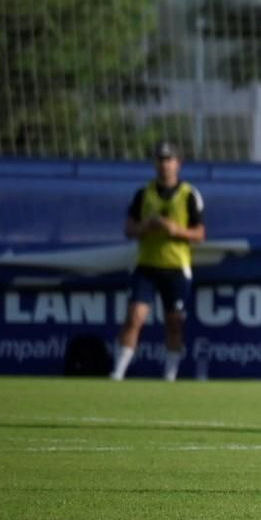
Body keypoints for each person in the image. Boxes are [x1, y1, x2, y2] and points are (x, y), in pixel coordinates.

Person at [113, 140, 204, 382]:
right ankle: (118, 372)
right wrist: (146, 227)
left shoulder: (188, 195)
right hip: (147, 265)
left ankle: (170, 376)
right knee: (134, 317)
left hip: (175, 266)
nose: (164, 165)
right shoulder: (144, 193)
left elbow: (199, 234)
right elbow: (129, 228)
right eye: (160, 160)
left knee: (174, 322)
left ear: (178, 163)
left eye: (169, 159)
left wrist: (175, 230)